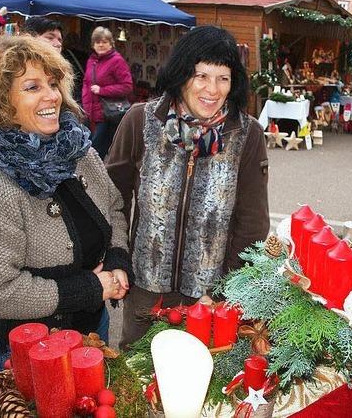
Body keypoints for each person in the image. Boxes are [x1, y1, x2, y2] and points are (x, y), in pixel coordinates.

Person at [0, 36, 131, 375]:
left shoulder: (80, 153)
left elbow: (114, 207)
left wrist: (117, 259)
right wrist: (89, 288)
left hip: (92, 326)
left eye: (54, 83)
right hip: (32, 347)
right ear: (1, 102)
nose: (52, 96)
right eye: (32, 87)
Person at [105, 25, 270, 349]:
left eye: (223, 78)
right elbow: (113, 200)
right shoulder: (141, 121)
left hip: (208, 297)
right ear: (182, 75)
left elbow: (253, 223)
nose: (213, 89)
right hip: (145, 291)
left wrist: (226, 289)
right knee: (138, 381)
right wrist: (117, 257)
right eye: (202, 76)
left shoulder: (247, 134)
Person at [82, 27, 132, 159]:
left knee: (96, 152)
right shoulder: (92, 60)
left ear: (111, 43)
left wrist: (102, 90)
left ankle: (98, 179)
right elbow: (86, 83)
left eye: (104, 42)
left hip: (106, 115)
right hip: (90, 114)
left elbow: (127, 86)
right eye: (97, 42)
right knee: (88, 149)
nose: (101, 45)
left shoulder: (117, 61)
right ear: (93, 44)